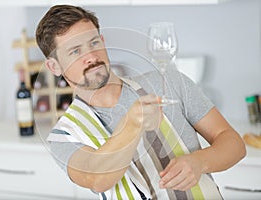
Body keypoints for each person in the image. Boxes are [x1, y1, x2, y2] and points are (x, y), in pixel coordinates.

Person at [35, 5, 246, 200]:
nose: (90, 56)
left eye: (94, 43)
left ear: (103, 41)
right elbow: (97, 179)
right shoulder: (63, 137)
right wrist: (133, 124)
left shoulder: (170, 83)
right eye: (75, 51)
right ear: (54, 67)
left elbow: (234, 144)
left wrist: (200, 162)